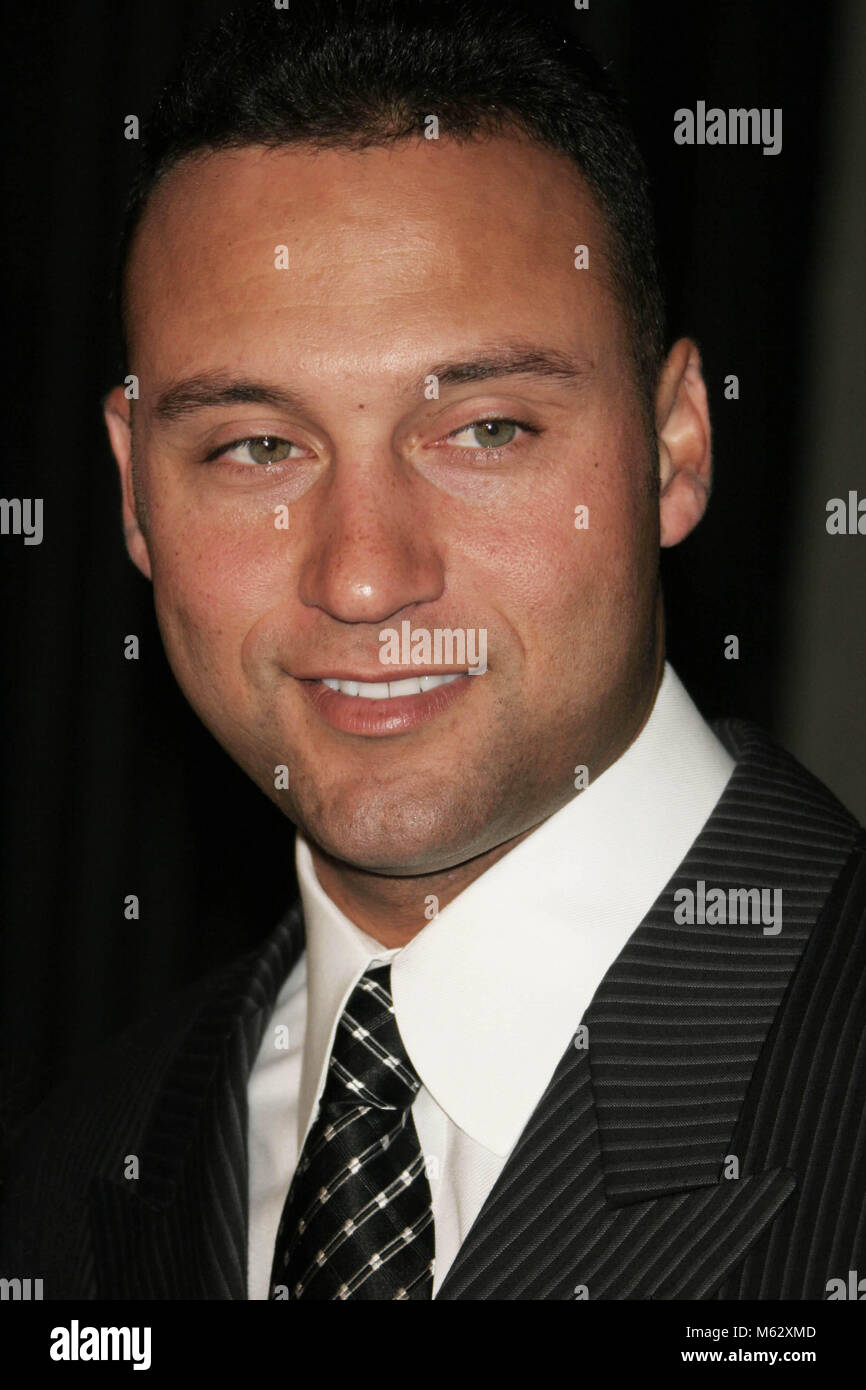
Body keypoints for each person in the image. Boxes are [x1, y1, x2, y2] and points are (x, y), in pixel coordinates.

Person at [2, 0, 863, 1301]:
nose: (361, 573)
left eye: (485, 431)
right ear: (131, 492)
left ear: (674, 445)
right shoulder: (71, 1176)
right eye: (256, 447)